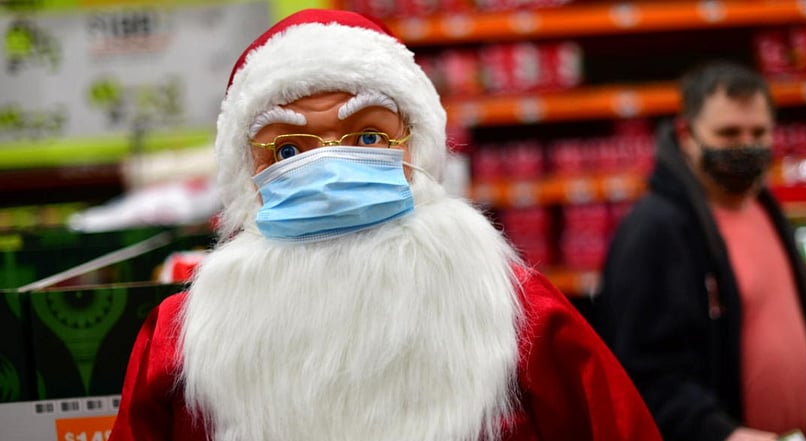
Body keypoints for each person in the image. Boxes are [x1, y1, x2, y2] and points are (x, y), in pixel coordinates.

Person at [109, 9, 662, 441]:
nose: (328, 163)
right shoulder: (181, 336)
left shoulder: (513, 308)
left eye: (368, 136)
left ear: (416, 148)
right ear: (246, 174)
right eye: (288, 147)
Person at [591, 60, 806, 441]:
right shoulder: (655, 231)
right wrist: (722, 434)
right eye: (729, 133)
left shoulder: (764, 209)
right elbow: (643, 377)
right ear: (687, 134)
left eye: (759, 133)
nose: (747, 146)